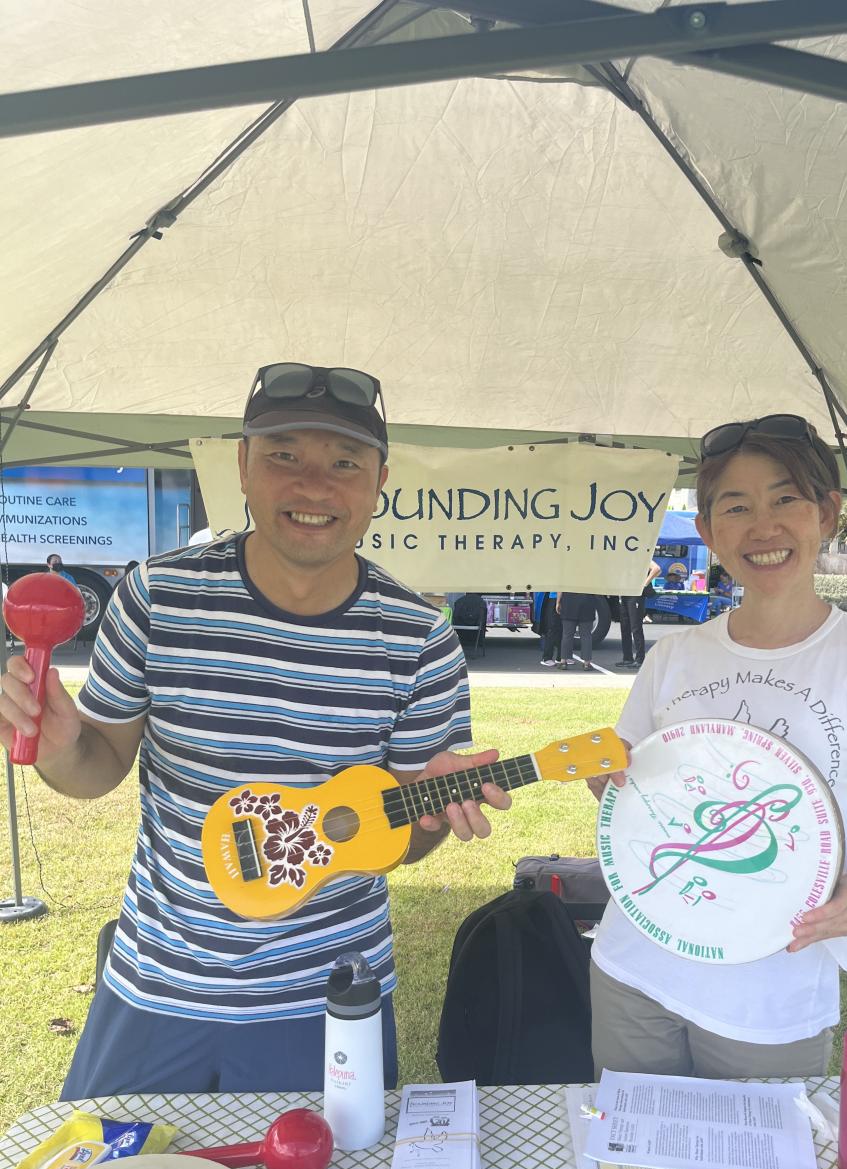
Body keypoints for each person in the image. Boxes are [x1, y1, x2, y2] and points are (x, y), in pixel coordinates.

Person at [0, 362, 512, 1097]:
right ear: (241, 465)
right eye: (284, 455)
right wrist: (59, 747)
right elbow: (97, 763)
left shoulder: (420, 638)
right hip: (157, 981)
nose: (314, 486)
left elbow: (401, 839)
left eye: (345, 463)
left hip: (330, 998)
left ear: (379, 482)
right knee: (113, 1168)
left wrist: (426, 812)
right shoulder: (156, 597)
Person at [587, 415, 847, 1079]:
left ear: (827, 514)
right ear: (709, 532)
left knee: (763, 1152)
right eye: (736, 507)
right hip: (635, 968)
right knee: (633, 1143)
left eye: (785, 499)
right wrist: (608, 783)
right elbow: (628, 785)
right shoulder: (672, 656)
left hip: (771, 997)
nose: (763, 527)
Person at [616, 559, 660, 670]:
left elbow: (657, 569)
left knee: (635, 628)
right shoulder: (625, 558)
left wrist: (645, 584)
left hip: (636, 595)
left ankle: (640, 659)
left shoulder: (642, 556)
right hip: (624, 594)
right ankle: (627, 658)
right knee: (625, 627)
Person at [556, 590, 598, 670]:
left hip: (569, 603)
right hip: (587, 602)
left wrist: (558, 602)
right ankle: (587, 664)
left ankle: (563, 662)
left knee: (567, 635)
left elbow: (561, 587)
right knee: (586, 635)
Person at [539, 592, 563, 667]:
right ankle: (547, 658)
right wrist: (558, 602)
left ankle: (560, 657)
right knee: (552, 629)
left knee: (560, 629)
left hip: (557, 599)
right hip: (554, 599)